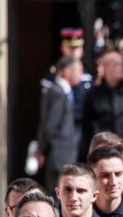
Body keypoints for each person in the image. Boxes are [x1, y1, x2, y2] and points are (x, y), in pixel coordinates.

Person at [37, 56, 82, 189]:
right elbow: (50, 124)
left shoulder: (65, 91)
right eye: (78, 71)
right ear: (67, 71)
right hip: (59, 155)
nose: (80, 75)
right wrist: (43, 149)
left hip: (65, 154)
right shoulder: (57, 92)